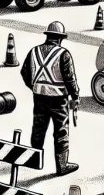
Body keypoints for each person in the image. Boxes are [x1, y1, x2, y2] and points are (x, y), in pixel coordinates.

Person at [21, 21, 80, 176]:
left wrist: (35, 86)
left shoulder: (34, 51)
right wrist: (75, 96)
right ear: (60, 38)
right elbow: (70, 79)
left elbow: (24, 72)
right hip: (59, 99)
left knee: (38, 128)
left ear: (48, 36)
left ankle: (34, 161)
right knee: (60, 131)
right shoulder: (64, 54)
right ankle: (62, 166)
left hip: (39, 96)